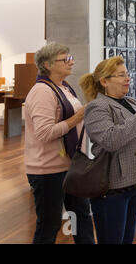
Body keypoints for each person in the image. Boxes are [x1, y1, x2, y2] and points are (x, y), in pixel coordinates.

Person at [79, 56, 136, 244]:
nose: (127, 78)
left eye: (127, 74)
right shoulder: (97, 107)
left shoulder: (130, 101)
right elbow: (111, 139)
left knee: (127, 238)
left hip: (133, 182)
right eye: (121, 75)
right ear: (104, 81)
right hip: (111, 187)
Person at [24, 42, 94, 244]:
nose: (71, 63)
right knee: (50, 225)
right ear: (47, 64)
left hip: (69, 165)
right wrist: (78, 117)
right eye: (66, 60)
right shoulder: (42, 92)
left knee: (81, 216)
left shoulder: (63, 87)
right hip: (48, 170)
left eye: (70, 58)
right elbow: (45, 133)